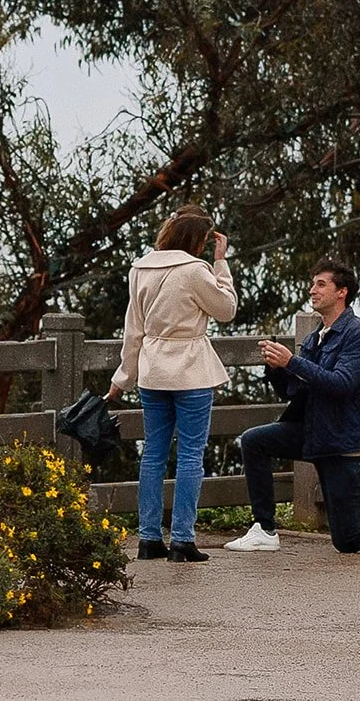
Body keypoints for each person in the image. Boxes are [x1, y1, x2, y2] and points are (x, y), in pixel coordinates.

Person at [224, 258, 360, 555]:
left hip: (346, 444)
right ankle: (264, 529)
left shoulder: (359, 334)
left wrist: (292, 361)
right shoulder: (315, 337)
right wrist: (277, 368)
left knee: (348, 540)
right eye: (312, 284)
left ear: (342, 292)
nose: (312, 290)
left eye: (321, 284)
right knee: (254, 440)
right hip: (315, 435)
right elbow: (294, 391)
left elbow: (341, 384)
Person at [105, 204, 237, 563]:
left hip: (153, 371)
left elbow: (133, 331)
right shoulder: (195, 270)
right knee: (191, 454)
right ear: (196, 239)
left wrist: (122, 380)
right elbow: (226, 310)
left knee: (153, 454)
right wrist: (221, 263)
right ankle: (182, 539)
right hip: (191, 370)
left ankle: (148, 538)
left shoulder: (139, 269)